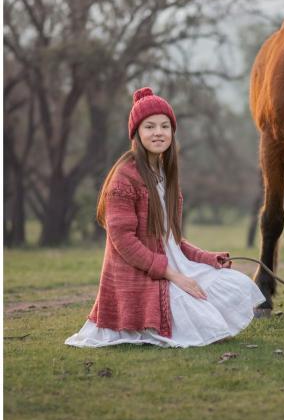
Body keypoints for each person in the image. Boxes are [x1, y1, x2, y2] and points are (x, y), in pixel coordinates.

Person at [65, 87, 265, 348]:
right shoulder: (124, 178)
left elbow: (171, 240)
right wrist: (173, 276)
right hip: (147, 278)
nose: (158, 132)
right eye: (149, 127)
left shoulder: (165, 176)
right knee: (210, 329)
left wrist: (208, 259)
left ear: (172, 132)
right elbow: (123, 241)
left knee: (236, 285)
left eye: (164, 126)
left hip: (174, 269)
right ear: (136, 133)